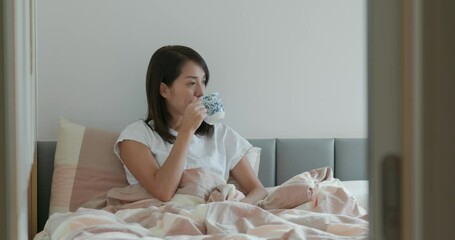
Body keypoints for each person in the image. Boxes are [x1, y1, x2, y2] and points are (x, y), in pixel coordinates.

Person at [114, 45, 268, 204]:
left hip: (216, 214)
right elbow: (163, 191)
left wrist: (233, 210)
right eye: (191, 83)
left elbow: (259, 191)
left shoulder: (221, 135)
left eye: (203, 81)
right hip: (162, 217)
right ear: (164, 90)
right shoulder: (136, 136)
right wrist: (186, 130)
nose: (201, 92)